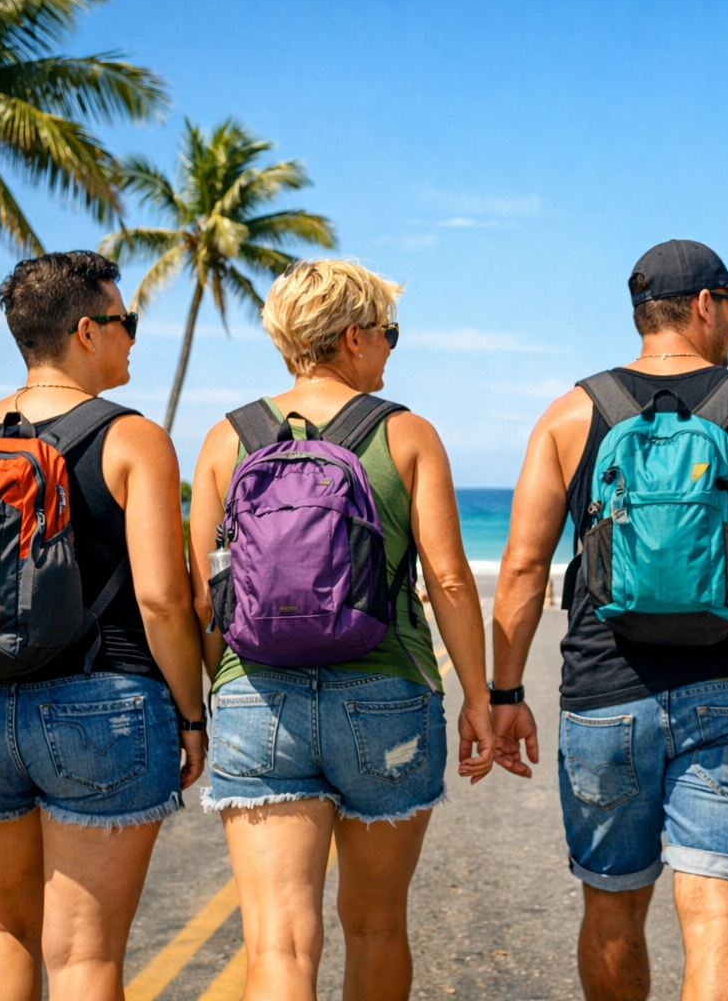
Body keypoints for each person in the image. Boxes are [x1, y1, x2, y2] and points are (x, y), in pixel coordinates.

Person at [491, 240, 728, 1001]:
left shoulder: (571, 413)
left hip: (605, 693)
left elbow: (525, 568)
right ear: (704, 305)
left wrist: (503, 696)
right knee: (721, 916)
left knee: (611, 909)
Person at [189, 258, 496, 1001]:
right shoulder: (407, 433)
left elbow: (204, 596)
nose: (393, 348)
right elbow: (450, 580)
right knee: (377, 927)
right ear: (355, 337)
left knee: (279, 943)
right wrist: (480, 697)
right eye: (390, 333)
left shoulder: (226, 439)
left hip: (255, 698)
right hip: (386, 693)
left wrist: (220, 690)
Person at [0, 251, 208, 1000]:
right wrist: (192, 713)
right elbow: (165, 601)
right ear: (85, 330)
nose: (133, 338)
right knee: (85, 958)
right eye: (124, 322)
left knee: (2, 928)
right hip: (100, 704)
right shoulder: (133, 438)